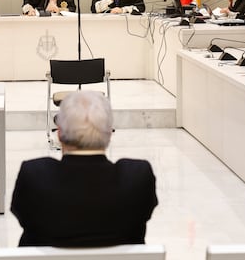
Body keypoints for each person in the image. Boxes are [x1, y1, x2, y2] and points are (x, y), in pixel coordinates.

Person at [11, 90, 158, 247]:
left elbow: (22, 215)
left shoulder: (34, 176)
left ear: (59, 133)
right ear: (109, 134)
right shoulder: (137, 178)